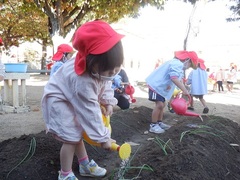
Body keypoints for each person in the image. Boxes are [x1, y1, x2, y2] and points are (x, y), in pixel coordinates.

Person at [41, 20, 125, 180]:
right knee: (70, 137)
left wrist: (108, 101)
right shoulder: (82, 81)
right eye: (109, 69)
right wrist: (103, 138)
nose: (113, 72)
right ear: (91, 63)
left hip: (72, 97)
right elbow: (90, 111)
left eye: (117, 67)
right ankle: (65, 174)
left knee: (76, 131)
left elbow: (106, 81)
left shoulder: (100, 68)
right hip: (58, 100)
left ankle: (84, 164)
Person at [145, 50, 198, 134]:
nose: (188, 67)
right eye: (190, 65)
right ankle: (153, 125)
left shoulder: (177, 65)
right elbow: (174, 78)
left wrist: (183, 88)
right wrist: (184, 90)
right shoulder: (177, 64)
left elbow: (178, 79)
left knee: (163, 105)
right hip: (156, 85)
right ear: (187, 60)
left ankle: (159, 122)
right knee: (159, 105)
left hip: (161, 87)